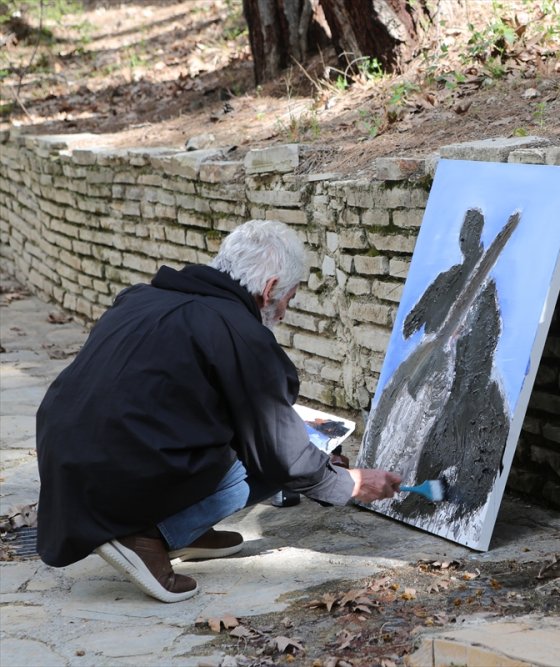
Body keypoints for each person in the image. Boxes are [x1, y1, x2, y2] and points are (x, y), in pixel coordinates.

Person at [35, 219, 401, 603]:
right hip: (121, 473)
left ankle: (183, 529)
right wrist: (348, 484)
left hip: (67, 460)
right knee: (265, 460)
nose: (287, 311)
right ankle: (148, 536)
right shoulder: (238, 332)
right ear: (270, 288)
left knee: (249, 436)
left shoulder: (142, 298)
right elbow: (281, 452)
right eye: (290, 298)